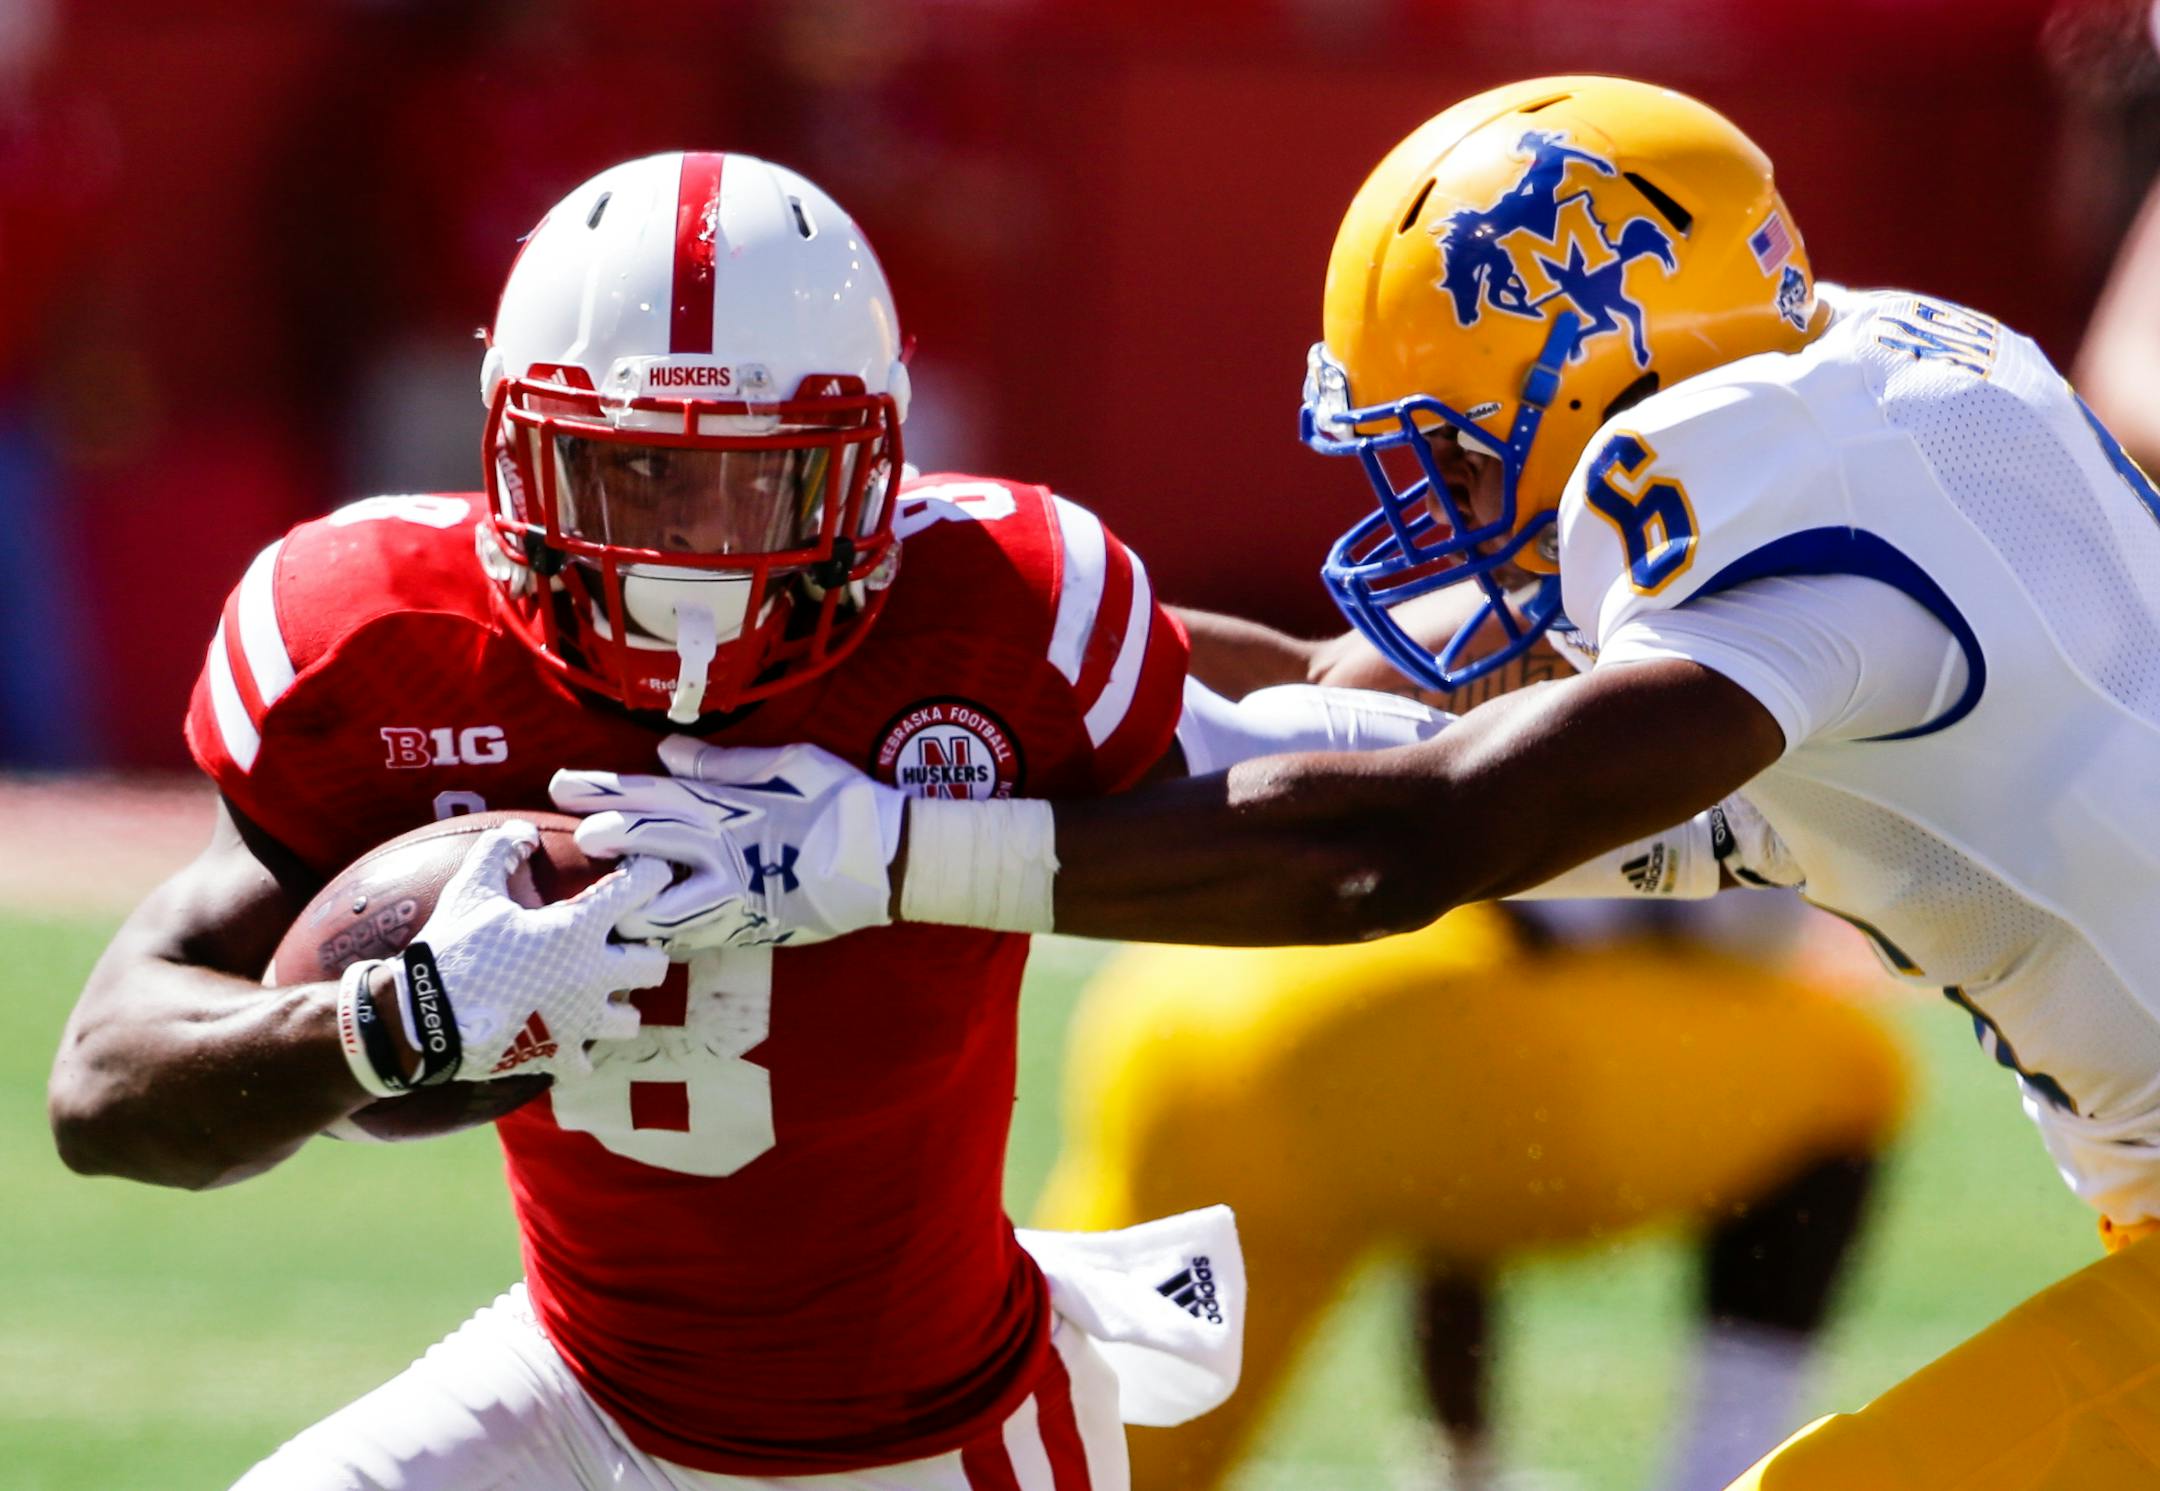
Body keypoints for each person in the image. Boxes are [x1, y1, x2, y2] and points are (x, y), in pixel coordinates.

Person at [554, 77, 2160, 1488]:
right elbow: (1346, 696)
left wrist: (878, 857)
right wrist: (890, 612)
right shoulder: (1867, 374)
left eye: (1459, 446)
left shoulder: (1765, 516)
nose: (1446, 496)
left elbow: (1415, 835)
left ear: (1605, 367)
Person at [44, 152, 1289, 1491]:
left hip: (927, 1440)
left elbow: (1333, 830)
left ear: (874, 469)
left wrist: (913, 855)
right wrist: (395, 1019)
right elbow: (104, 1087)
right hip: (574, 1388)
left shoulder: (992, 607)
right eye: (633, 472)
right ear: (512, 452)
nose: (687, 554)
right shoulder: (384, 641)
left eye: (761, 482)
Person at [1033, 897, 1904, 1491]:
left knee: (1082, 1457)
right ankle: (1724, 1467)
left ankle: (1460, 1465)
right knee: (1850, 1063)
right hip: (1411, 1021)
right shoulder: (1687, 655)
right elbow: (1744, 925)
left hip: (1176, 998)